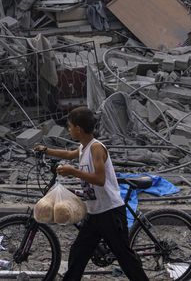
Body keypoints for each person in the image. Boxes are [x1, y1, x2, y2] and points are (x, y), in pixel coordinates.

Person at [34, 107, 148, 281]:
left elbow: (100, 179)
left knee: (126, 259)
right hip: (95, 213)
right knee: (78, 253)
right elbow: (68, 154)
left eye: (70, 126)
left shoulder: (96, 148)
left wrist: (73, 172)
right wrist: (46, 150)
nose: (69, 129)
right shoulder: (83, 147)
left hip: (110, 212)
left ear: (78, 129)